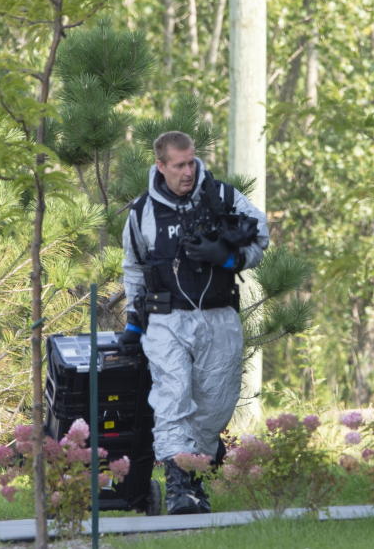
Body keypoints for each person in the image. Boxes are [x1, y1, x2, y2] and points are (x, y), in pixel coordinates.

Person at [121, 131, 269, 514]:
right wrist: (133, 326)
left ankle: (201, 462)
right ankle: (180, 488)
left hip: (219, 317)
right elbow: (134, 269)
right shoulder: (142, 213)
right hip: (166, 319)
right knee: (173, 401)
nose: (187, 171)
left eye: (191, 162)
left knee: (215, 404)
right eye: (178, 165)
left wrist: (229, 258)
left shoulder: (223, 197)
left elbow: (261, 235)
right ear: (161, 166)